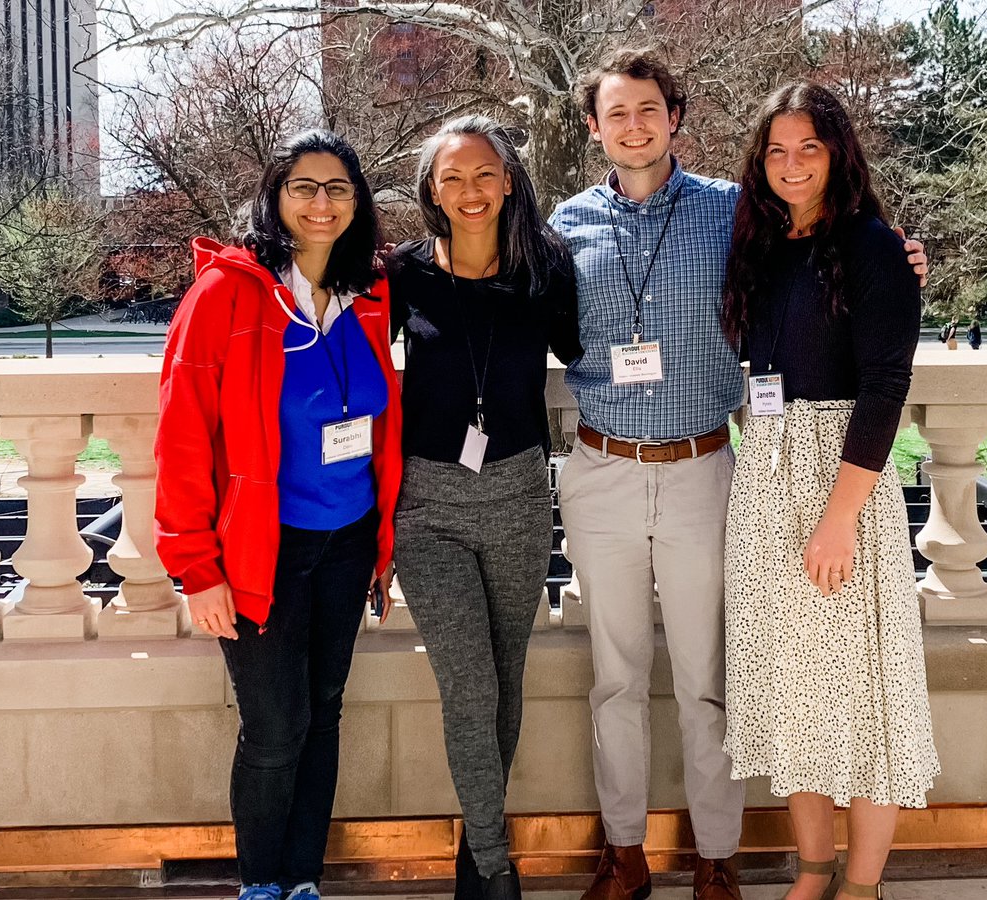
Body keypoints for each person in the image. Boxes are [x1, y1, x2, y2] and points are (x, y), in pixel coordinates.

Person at [548, 48, 929, 900]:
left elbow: (849, 285)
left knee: (709, 679)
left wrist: (903, 265)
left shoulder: (733, 214)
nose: (635, 125)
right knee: (618, 677)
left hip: (708, 467)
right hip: (611, 467)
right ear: (594, 126)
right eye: (617, 113)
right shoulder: (563, 227)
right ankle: (625, 854)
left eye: (649, 108)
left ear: (674, 115)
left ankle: (718, 858)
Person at [154, 129, 402, 900]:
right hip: (262, 549)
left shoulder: (370, 294)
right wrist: (196, 569)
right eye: (304, 187)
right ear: (275, 197)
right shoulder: (228, 294)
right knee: (273, 726)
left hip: (349, 539)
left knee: (324, 711)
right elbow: (183, 435)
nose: (321, 203)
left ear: (357, 202)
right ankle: (261, 885)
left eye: (337, 188)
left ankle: (304, 879)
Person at [721, 82, 939, 900]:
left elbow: (885, 388)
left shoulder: (874, 246)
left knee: (869, 696)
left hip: (840, 483)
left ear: (839, 152)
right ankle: (812, 871)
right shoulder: (762, 244)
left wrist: (839, 519)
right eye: (776, 150)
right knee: (795, 690)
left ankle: (862, 883)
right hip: (767, 476)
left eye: (808, 146)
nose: (792, 163)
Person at [388, 115, 581, 900]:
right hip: (427, 505)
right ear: (432, 189)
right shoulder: (400, 273)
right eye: (451, 178)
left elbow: (587, 350)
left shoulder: (546, 268)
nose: (469, 192)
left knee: (505, 680)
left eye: (483, 176)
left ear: (508, 183)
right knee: (469, 688)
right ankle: (498, 874)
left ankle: (480, 847)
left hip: (517, 494)